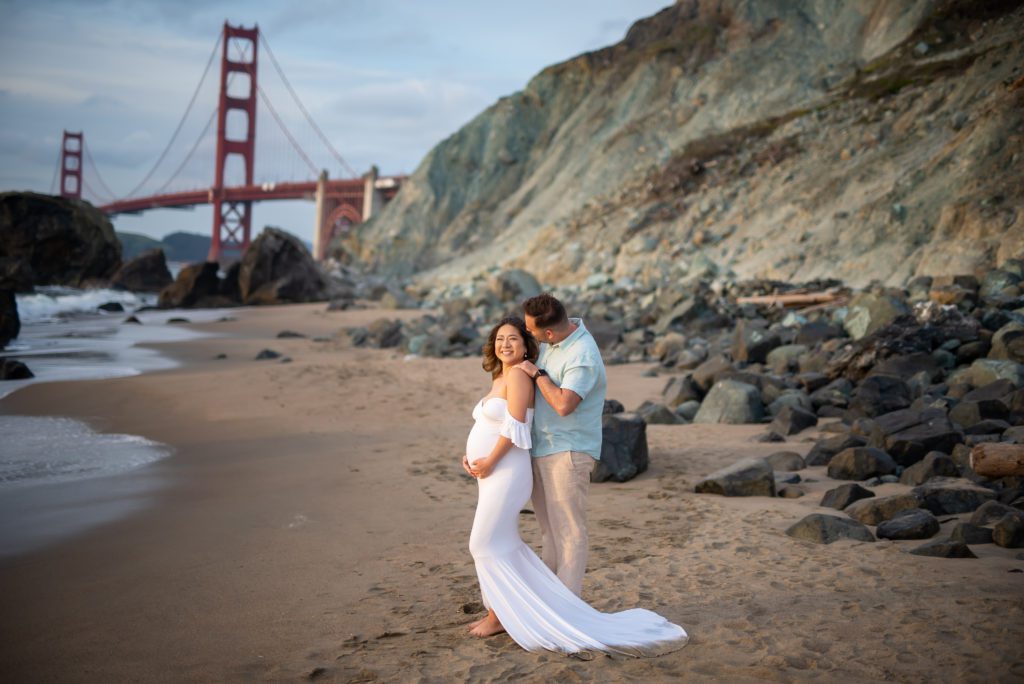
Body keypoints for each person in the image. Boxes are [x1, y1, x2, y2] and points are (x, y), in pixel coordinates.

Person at [461, 316, 687, 655]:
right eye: (499, 339)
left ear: (526, 346)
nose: (505, 344)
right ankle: (499, 612)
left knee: (483, 543)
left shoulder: (520, 376)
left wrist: (490, 460)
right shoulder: (499, 377)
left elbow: (515, 427)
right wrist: (472, 458)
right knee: (501, 540)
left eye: (512, 339)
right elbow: (491, 426)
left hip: (506, 472)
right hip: (491, 473)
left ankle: (501, 614)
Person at [517, 293, 604, 597]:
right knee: (549, 532)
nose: (529, 335)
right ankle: (550, 600)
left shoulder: (582, 354)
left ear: (549, 332)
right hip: (544, 448)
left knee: (569, 533)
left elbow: (564, 404)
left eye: (531, 331)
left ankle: (568, 606)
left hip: (568, 453)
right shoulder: (552, 343)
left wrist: (537, 374)